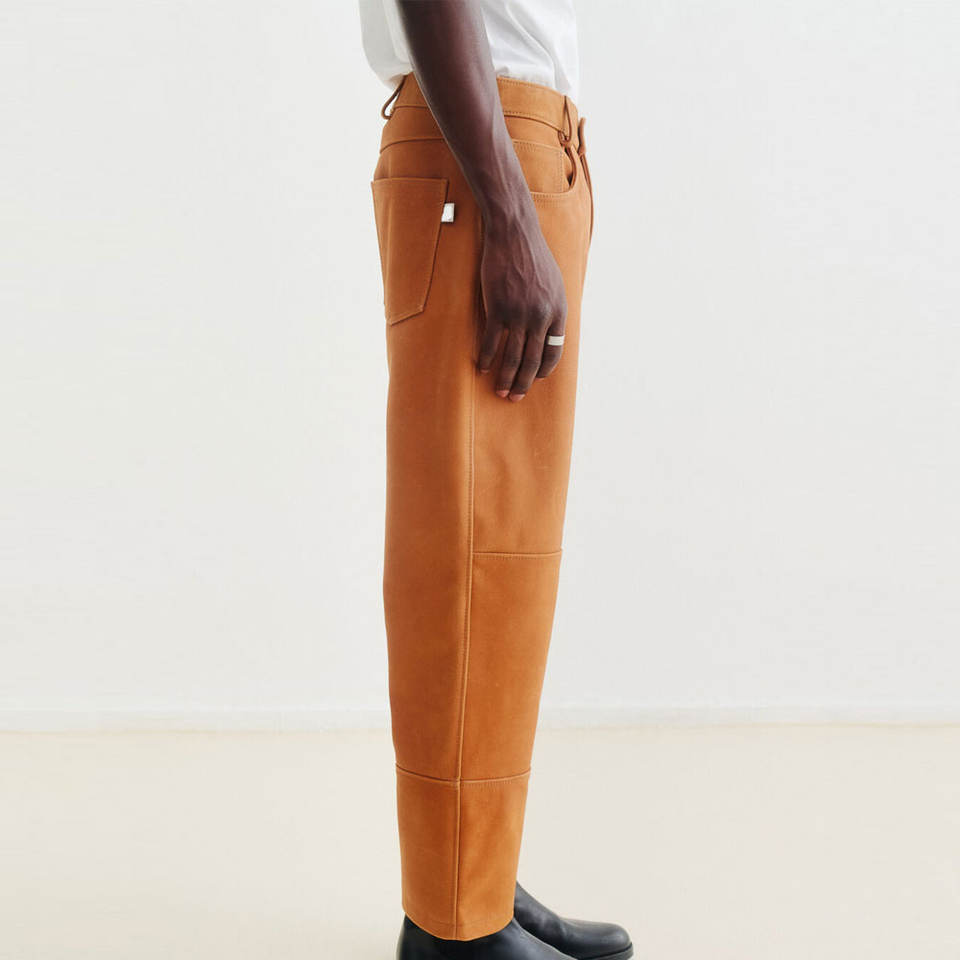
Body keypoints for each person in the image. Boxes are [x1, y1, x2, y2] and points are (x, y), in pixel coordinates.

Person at [360, 2, 631, 958]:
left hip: (514, 142)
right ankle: (455, 926)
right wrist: (511, 213)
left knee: (502, 562)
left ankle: (475, 875)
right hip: (487, 151)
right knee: (470, 555)